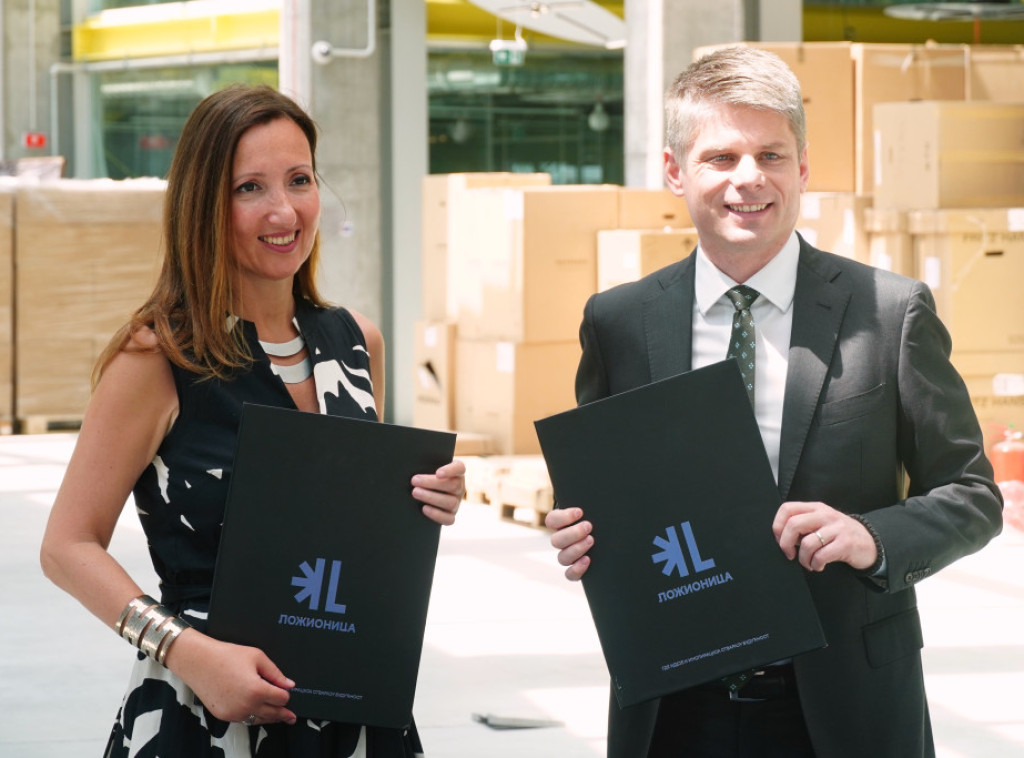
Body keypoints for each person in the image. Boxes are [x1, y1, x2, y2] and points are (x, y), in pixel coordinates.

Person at [546, 46, 1002, 758]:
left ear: (803, 167)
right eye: (721, 158)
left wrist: (872, 537)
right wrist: (578, 533)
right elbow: (604, 494)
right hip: (674, 706)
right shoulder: (619, 323)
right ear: (674, 171)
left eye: (771, 155)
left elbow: (973, 494)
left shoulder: (890, 312)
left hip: (842, 704)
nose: (748, 178)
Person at [39, 84, 466, 757]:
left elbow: (346, 534)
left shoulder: (358, 343)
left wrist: (423, 501)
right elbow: (66, 546)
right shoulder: (158, 357)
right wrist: (188, 651)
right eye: (249, 188)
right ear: (203, 205)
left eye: (300, 180)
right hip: (207, 709)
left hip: (350, 697)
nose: (284, 211)